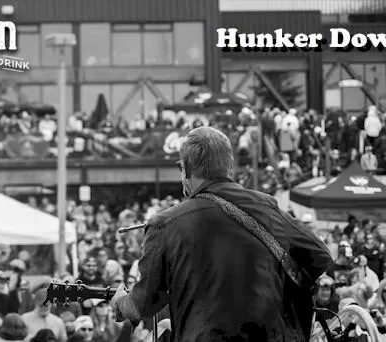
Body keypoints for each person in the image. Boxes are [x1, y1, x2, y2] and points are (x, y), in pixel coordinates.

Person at [110, 126, 333, 341]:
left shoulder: (164, 225)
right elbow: (320, 256)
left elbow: (142, 305)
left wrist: (120, 302)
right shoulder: (267, 207)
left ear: (185, 169)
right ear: (230, 166)